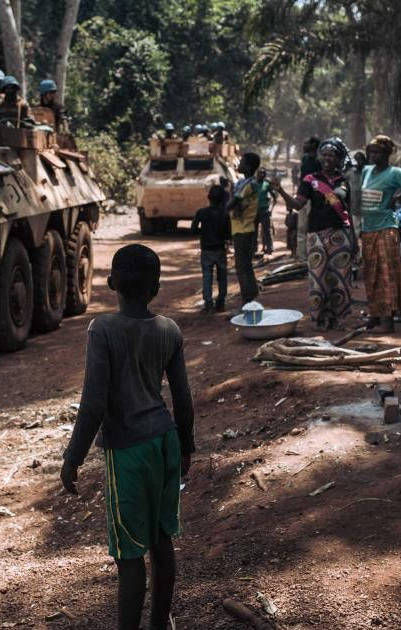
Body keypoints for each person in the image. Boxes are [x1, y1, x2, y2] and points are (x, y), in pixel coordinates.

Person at [61, 243, 195, 630]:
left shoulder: (102, 329)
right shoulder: (170, 330)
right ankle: (159, 624)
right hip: (166, 441)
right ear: (156, 288)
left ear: (110, 283)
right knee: (160, 537)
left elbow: (94, 403)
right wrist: (186, 446)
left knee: (129, 554)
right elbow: (183, 399)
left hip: (128, 451)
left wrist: (73, 456)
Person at [271, 138, 358, 331]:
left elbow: (349, 212)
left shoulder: (345, 181)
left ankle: (338, 318)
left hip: (341, 234)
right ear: (319, 156)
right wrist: (281, 191)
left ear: (339, 158)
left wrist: (354, 239)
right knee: (318, 278)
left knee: (341, 278)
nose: (327, 158)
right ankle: (320, 319)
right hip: (316, 234)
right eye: (324, 154)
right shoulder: (311, 180)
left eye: (331, 155)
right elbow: (298, 205)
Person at [359, 135, 401, 332]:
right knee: (370, 273)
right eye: (370, 151)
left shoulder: (395, 173)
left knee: (385, 274)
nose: (372, 155)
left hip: (386, 228)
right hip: (368, 229)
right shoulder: (366, 171)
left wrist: (398, 196)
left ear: (387, 154)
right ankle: (374, 316)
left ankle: (387, 322)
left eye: (377, 152)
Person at [227, 153, 265, 307]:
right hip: (241, 228)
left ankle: (247, 302)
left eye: (241, 161)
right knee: (245, 266)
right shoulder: (245, 182)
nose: (239, 163)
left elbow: (232, 204)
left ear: (248, 167)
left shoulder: (248, 185)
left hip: (243, 229)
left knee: (242, 268)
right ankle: (252, 297)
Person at [191, 185, 231, 313]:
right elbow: (228, 235)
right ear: (222, 200)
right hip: (220, 249)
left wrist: (204, 232)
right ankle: (221, 303)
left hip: (206, 250)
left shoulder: (201, 212)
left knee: (207, 277)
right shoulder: (225, 214)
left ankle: (208, 304)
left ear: (208, 198)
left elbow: (193, 230)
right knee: (222, 277)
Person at [252, 166, 276, 255]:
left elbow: (274, 198)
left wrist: (270, 209)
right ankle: (254, 249)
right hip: (254, 212)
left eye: (263, 173)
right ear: (256, 174)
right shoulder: (253, 184)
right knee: (254, 231)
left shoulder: (267, 184)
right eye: (260, 173)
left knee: (267, 231)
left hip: (265, 211)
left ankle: (269, 248)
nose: (261, 175)